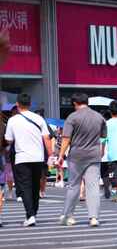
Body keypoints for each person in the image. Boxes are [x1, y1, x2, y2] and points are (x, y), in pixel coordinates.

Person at [57, 93, 107, 227]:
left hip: (76, 156)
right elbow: (103, 138)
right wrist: (101, 151)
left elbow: (66, 138)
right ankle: (94, 217)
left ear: (75, 103)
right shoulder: (99, 117)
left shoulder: (72, 117)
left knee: (74, 186)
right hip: (94, 155)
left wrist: (61, 155)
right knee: (93, 187)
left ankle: (67, 215)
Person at [5, 93, 53, 227]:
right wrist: (51, 155)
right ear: (30, 104)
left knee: (25, 187)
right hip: (38, 158)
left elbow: (8, 140)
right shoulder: (39, 118)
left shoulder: (12, 120)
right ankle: (33, 214)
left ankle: (30, 215)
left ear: (17, 105)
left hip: (21, 158)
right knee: (35, 186)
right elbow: (47, 138)